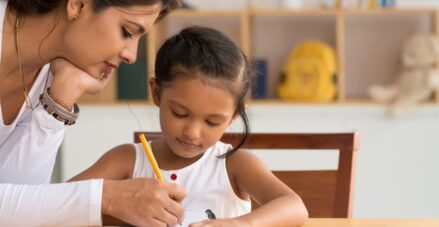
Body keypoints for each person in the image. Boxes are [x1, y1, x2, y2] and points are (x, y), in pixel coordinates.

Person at [71, 26, 309, 226]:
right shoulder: (127, 160)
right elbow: (59, 203)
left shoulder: (234, 164)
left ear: (233, 116)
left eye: (212, 122)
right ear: (156, 92)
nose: (192, 132)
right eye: (180, 113)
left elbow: (295, 207)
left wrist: (240, 224)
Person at [0, 0, 187, 226]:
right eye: (126, 32)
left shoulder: (52, 69)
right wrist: (106, 198)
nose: (132, 56)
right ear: (78, 5)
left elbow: (19, 210)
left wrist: (60, 100)